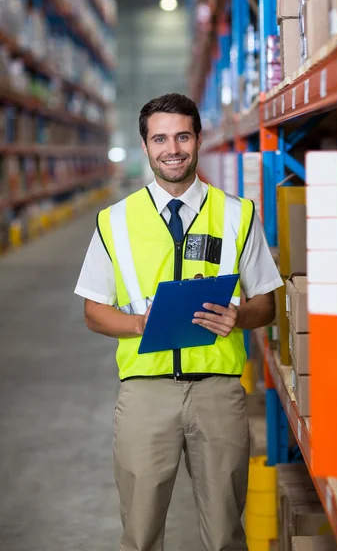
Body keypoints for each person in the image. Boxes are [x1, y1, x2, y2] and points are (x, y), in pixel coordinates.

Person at [75, 93, 283, 551]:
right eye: (161, 138)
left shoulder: (238, 215)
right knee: (141, 533)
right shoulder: (115, 221)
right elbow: (93, 310)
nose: (173, 148)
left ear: (198, 140)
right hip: (145, 394)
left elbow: (267, 304)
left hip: (218, 391)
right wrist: (139, 325)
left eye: (183, 136)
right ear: (146, 146)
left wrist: (238, 315)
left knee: (227, 533)